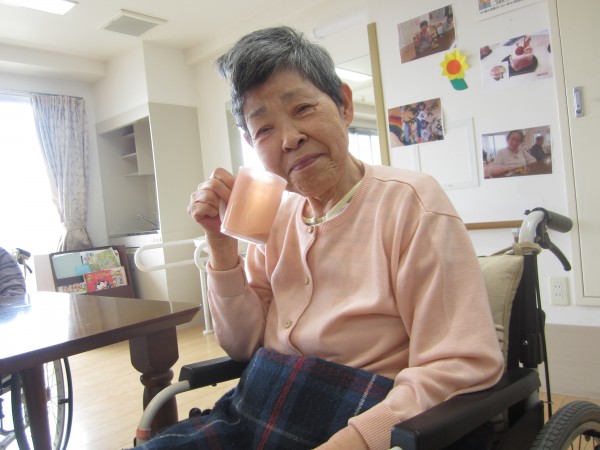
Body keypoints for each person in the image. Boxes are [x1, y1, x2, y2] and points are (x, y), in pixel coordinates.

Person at [143, 26, 504, 450]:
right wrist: (222, 248)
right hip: (260, 405)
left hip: (359, 414)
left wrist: (356, 440)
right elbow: (242, 345)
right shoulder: (274, 216)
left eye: (303, 108)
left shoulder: (411, 204)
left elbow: (461, 363)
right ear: (250, 143)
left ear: (345, 105)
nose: (289, 138)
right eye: (264, 129)